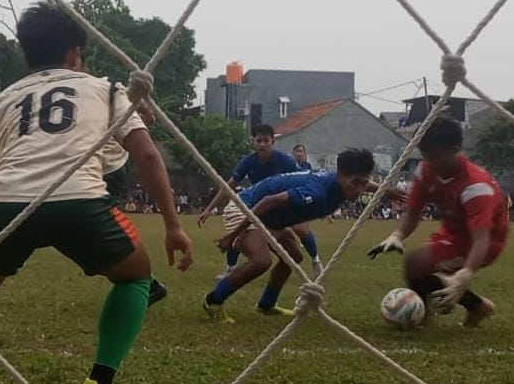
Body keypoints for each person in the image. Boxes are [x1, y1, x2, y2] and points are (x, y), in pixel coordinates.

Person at [0, 2, 193, 384]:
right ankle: (100, 383)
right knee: (137, 277)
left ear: (26, 54)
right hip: (78, 198)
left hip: (8, 203)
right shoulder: (105, 88)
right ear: (75, 54)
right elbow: (148, 155)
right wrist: (173, 225)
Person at [203, 148, 386, 323]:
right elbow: (269, 201)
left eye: (363, 184)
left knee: (293, 256)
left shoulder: (338, 180)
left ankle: (266, 305)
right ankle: (213, 301)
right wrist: (233, 235)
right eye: (355, 184)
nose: (360, 190)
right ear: (340, 174)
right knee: (261, 261)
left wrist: (389, 190)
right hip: (247, 208)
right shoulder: (317, 192)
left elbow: (364, 182)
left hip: (270, 216)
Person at [368, 117, 508, 327]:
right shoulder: (426, 170)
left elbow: (481, 239)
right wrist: (397, 235)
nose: (431, 162)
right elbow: (414, 210)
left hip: (484, 242)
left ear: (456, 149)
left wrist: (465, 274)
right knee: (418, 266)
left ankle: (424, 316)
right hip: (453, 233)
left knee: (416, 263)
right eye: (426, 156)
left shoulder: (475, 186)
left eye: (437, 157)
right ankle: (476, 306)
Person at [199, 124, 324, 277]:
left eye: (266, 141)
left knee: (301, 228)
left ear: (273, 142)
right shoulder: (248, 161)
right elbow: (228, 186)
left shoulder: (285, 161)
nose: (262, 144)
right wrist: (209, 209)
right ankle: (230, 270)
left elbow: (304, 182)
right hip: (259, 203)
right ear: (253, 142)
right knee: (239, 229)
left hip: (283, 202)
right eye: (259, 141)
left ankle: (316, 261)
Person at [99, 105, 169, 307]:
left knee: (94, 234)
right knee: (93, 233)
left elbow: (147, 123)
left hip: (106, 170)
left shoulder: (107, 98)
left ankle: (146, 283)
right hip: (105, 170)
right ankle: (148, 284)